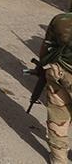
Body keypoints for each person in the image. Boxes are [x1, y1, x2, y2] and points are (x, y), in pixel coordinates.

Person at [38, 11, 72, 164]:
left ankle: (58, 159)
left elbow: (46, 49)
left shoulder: (61, 20)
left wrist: (42, 66)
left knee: (58, 116)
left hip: (60, 72)